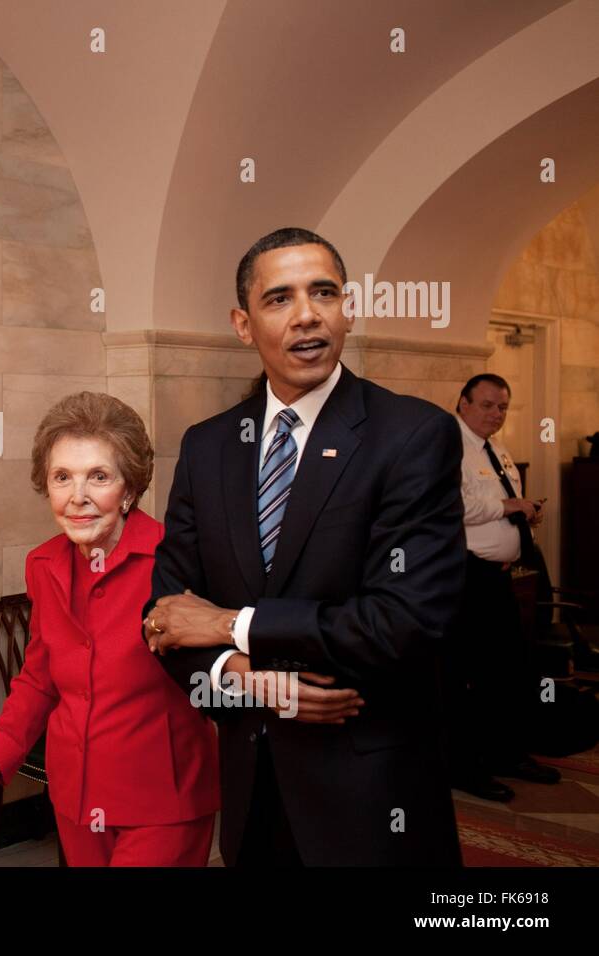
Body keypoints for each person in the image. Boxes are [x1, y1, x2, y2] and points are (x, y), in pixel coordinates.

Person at [142, 227, 465, 866]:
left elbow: (406, 620)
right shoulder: (208, 446)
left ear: (348, 308)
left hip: (371, 798)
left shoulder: (412, 435)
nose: (307, 314)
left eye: (324, 293)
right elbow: (166, 617)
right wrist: (249, 682)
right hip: (252, 789)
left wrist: (230, 624)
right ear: (243, 324)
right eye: (279, 298)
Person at [0, 392, 219, 866]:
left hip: (163, 799)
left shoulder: (176, 560)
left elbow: (224, 670)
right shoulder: (43, 564)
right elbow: (39, 679)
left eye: (99, 476)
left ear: (129, 488)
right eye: (62, 477)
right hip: (76, 797)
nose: (78, 496)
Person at [443, 373, 560, 801]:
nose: (497, 414)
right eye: (488, 405)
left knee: (508, 670)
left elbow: (502, 504)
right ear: (464, 403)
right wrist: (508, 505)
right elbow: (451, 505)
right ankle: (465, 767)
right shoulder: (449, 446)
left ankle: (507, 754)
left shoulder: (497, 448)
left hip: (499, 576)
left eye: (503, 407)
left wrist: (525, 513)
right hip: (465, 576)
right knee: (468, 675)